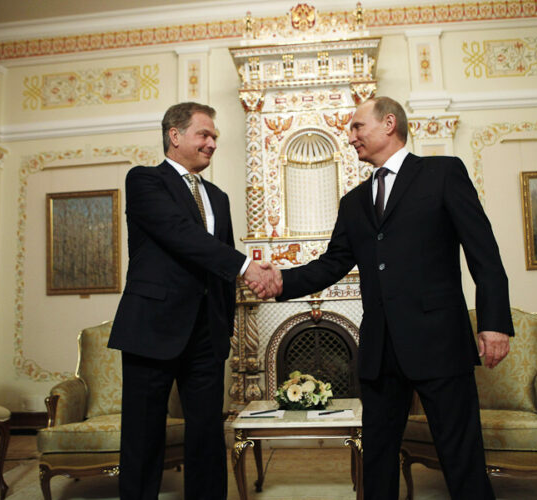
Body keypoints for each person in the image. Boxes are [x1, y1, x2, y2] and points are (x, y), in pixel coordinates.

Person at [249, 96, 514, 499]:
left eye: (357, 126)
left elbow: (484, 252)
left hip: (438, 342)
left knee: (461, 457)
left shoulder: (443, 173)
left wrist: (495, 323)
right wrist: (281, 281)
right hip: (380, 349)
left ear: (389, 123)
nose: (350, 135)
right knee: (376, 459)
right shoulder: (353, 202)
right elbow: (332, 264)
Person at [108, 101, 280, 500]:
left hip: (207, 333)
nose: (212, 143)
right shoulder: (145, 181)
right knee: (143, 437)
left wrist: (235, 310)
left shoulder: (218, 197)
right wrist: (247, 268)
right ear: (175, 135)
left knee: (206, 437)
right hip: (152, 328)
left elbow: (218, 261)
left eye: (215, 137)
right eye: (205, 134)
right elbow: (181, 235)